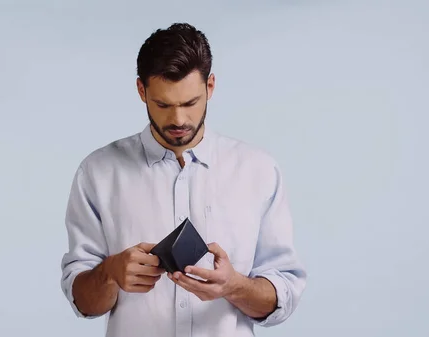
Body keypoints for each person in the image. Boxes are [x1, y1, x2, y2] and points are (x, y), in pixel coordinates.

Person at [60, 22, 307, 337]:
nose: (178, 119)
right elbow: (82, 301)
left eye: (190, 103)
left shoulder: (258, 170)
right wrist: (110, 272)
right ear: (141, 91)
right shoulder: (98, 172)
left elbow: (283, 296)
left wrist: (234, 286)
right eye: (163, 105)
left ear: (211, 87)